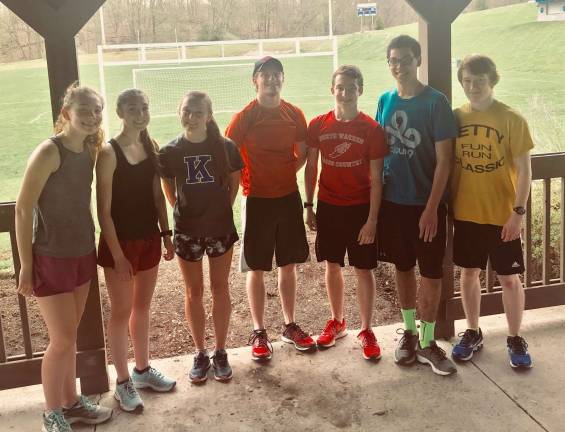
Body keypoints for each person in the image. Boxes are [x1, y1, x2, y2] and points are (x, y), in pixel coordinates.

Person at [15, 83, 113, 432]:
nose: (91, 116)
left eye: (97, 109)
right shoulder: (49, 152)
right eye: (83, 109)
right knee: (60, 340)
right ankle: (51, 412)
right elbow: (24, 210)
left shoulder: (90, 149)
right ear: (65, 113)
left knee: (69, 336)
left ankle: (71, 403)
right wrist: (26, 264)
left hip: (82, 252)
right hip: (50, 257)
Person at [375, 35, 458, 376]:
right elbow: (378, 153)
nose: (399, 65)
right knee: (403, 267)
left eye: (405, 59)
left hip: (426, 206)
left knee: (432, 273)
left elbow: (445, 161)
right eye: (393, 60)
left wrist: (431, 208)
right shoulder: (384, 100)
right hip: (393, 204)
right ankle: (409, 333)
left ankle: (427, 340)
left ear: (418, 60)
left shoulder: (436, 103)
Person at [225, 56, 315, 361]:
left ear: (283, 79)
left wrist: (285, 173)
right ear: (255, 81)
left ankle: (289, 326)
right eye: (266, 75)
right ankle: (259, 331)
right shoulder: (245, 117)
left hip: (288, 196)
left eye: (277, 75)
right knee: (257, 266)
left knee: (288, 263)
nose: (272, 80)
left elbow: (301, 154)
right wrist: (249, 179)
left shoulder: (294, 113)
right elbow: (229, 154)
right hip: (257, 199)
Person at [450, 55, 534, 369]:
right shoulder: (455, 117)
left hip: (503, 215)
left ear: (492, 81)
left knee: (510, 278)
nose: (473, 87)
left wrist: (518, 213)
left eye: (480, 81)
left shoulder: (512, 119)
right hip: (467, 212)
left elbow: (525, 170)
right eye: (468, 81)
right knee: (468, 274)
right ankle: (472, 331)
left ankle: (515, 337)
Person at [96, 89, 176, 412]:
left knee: (142, 307)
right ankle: (122, 382)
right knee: (120, 311)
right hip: (121, 244)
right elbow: (103, 211)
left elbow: (158, 198)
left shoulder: (151, 146)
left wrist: (166, 235)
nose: (140, 114)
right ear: (120, 113)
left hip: (149, 239)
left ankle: (142, 371)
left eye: (144, 107)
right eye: (133, 109)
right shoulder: (108, 152)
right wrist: (117, 254)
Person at [305, 65, 388, 360]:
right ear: (332, 90)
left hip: (360, 208)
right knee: (332, 264)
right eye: (340, 87)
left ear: (360, 90)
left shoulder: (371, 130)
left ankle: (366, 329)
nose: (345, 92)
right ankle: (337, 320)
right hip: (328, 206)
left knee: (363, 269)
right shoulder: (318, 125)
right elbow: (312, 167)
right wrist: (309, 206)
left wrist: (372, 220)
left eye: (351, 87)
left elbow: (377, 178)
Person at [159, 91, 242, 382]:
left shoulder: (225, 147)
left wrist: (220, 210)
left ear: (208, 115)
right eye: (186, 111)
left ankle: (220, 351)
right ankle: (200, 352)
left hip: (220, 228)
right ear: (179, 112)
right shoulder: (170, 151)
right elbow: (168, 186)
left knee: (220, 288)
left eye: (197, 112)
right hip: (187, 232)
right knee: (193, 292)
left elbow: (234, 181)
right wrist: (182, 211)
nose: (191, 117)